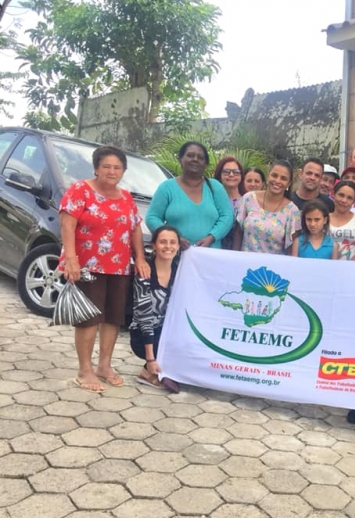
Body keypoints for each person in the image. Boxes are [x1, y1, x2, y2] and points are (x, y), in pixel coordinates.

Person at [59, 145, 149, 393]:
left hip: (119, 267)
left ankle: (104, 366)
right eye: (106, 166)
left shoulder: (127, 197)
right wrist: (71, 258)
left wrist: (139, 258)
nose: (112, 171)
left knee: (112, 318)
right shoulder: (81, 190)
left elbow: (135, 228)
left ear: (123, 171)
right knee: (88, 319)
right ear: (96, 168)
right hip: (87, 265)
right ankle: (84, 370)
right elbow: (68, 223)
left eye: (117, 167)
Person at [146, 141, 234, 250]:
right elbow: (152, 217)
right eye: (190, 155)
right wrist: (173, 238)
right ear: (180, 159)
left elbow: (227, 216)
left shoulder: (215, 187)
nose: (195, 159)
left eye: (200, 157)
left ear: (205, 163)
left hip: (211, 256)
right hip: (174, 256)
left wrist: (212, 237)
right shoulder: (167, 188)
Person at [130, 225, 181, 393]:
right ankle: (149, 369)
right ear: (154, 245)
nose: (168, 247)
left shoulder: (179, 273)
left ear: (178, 246)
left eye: (173, 242)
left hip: (166, 331)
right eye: (163, 242)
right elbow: (145, 319)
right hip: (143, 335)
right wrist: (151, 358)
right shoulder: (144, 273)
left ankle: (159, 369)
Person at [234, 159, 301, 255]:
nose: (277, 181)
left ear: (289, 183)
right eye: (274, 175)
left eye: (283, 178)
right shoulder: (249, 198)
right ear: (268, 175)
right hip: (245, 265)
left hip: (273, 268)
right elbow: (238, 233)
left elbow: (291, 248)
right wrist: (234, 258)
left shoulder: (292, 211)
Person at [329, 180, 355, 261]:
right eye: (341, 195)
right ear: (333, 194)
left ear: (354, 202)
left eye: (349, 198)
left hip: (351, 270)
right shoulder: (323, 219)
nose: (344, 200)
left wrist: (346, 268)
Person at [213, 155, 245, 249]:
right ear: (219, 175)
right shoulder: (212, 200)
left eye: (236, 172)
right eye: (226, 172)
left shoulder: (248, 201)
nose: (231, 175)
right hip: (215, 249)